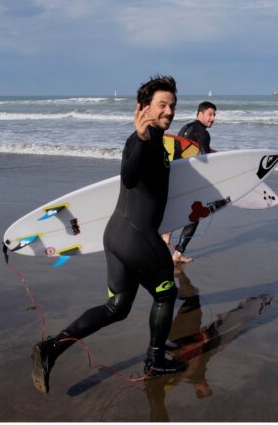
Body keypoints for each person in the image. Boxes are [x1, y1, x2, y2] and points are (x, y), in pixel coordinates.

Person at [30, 75, 187, 394]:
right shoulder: (144, 140)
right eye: (162, 105)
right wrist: (143, 138)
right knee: (166, 292)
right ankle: (155, 360)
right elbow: (129, 176)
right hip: (137, 237)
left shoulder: (152, 139)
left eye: (172, 105)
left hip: (116, 237)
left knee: (117, 307)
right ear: (144, 108)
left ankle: (52, 348)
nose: (169, 110)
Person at [161, 101, 217, 263]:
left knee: (180, 209)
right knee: (196, 215)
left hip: (177, 177)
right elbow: (207, 159)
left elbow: (183, 151)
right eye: (210, 114)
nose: (212, 118)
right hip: (191, 180)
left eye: (214, 115)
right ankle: (178, 254)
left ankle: (167, 233)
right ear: (200, 114)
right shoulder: (203, 133)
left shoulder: (186, 128)